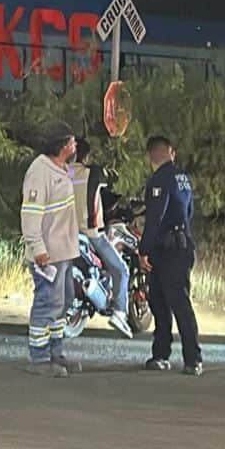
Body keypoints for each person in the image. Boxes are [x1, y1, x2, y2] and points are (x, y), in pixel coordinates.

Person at [20, 123, 82, 377]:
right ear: (62, 145)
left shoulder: (62, 169)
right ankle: (39, 357)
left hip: (64, 252)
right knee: (47, 302)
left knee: (62, 302)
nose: (75, 145)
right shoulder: (40, 171)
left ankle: (56, 352)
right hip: (48, 255)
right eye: (71, 141)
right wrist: (38, 248)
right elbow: (31, 213)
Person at [140, 135, 203, 376]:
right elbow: (189, 211)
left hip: (168, 249)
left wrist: (144, 250)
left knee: (174, 303)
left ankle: (191, 358)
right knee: (160, 300)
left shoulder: (159, 180)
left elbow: (155, 218)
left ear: (151, 157)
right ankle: (162, 354)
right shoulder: (183, 178)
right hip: (182, 244)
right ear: (171, 152)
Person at [69, 138, 133, 338]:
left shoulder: (59, 174)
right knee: (121, 269)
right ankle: (120, 313)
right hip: (91, 233)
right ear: (85, 156)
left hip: (64, 233)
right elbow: (114, 179)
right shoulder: (93, 172)